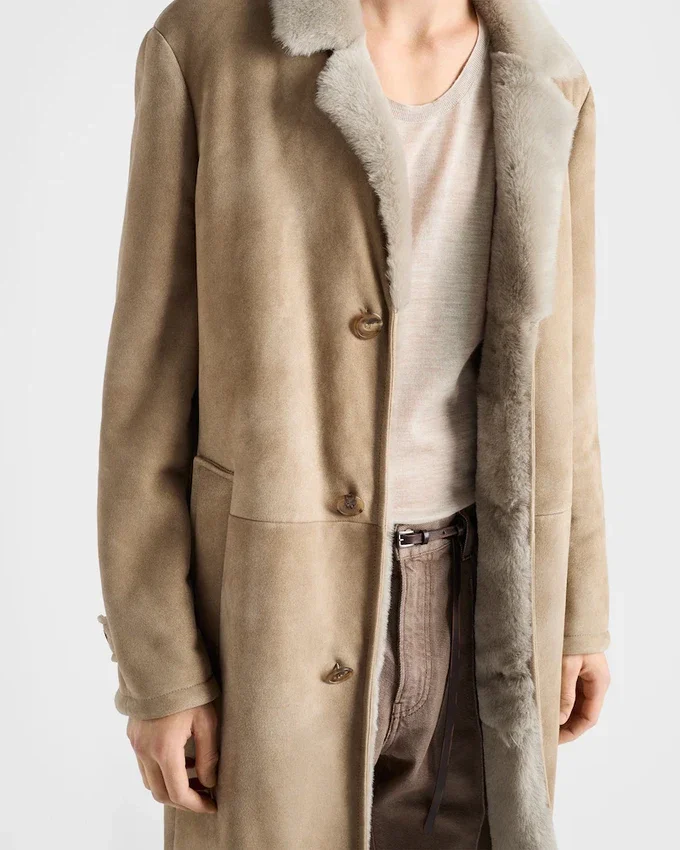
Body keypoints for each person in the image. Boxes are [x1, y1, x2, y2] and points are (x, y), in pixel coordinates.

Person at [96, 0, 611, 847]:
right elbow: (143, 393)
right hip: (275, 607)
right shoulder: (209, 46)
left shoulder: (550, 77)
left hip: (485, 601)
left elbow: (567, 374)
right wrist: (160, 666)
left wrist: (580, 608)